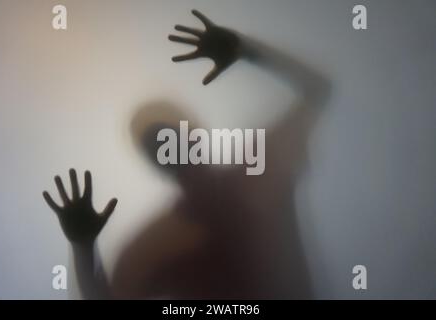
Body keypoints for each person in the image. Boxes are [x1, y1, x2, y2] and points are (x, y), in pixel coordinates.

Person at [43, 10, 331, 299]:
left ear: (196, 133)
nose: (167, 149)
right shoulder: (155, 245)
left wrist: (247, 49)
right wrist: (83, 248)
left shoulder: (260, 163)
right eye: (154, 146)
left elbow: (318, 90)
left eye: (170, 135)